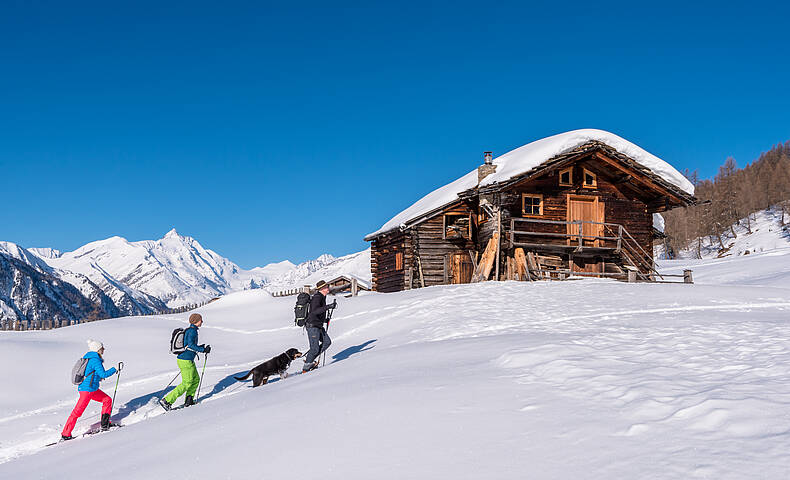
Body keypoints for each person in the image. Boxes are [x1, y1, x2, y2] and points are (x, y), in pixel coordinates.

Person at [61, 339, 119, 440]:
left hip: (91, 389)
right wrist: (115, 369)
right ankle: (66, 434)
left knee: (107, 400)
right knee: (77, 412)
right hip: (87, 390)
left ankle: (105, 424)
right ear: (97, 349)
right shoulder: (95, 360)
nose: (103, 349)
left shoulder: (89, 358)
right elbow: (103, 374)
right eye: (102, 348)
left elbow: (96, 374)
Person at [159, 313, 210, 410]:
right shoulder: (192, 331)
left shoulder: (192, 330)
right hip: (185, 360)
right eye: (201, 320)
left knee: (195, 380)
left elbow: (189, 345)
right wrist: (203, 350)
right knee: (187, 382)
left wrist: (201, 347)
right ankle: (167, 401)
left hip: (186, 359)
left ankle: (189, 400)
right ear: (196, 321)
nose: (202, 322)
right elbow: (190, 345)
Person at [302, 280, 336, 372]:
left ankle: (310, 359)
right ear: (322, 289)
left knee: (327, 342)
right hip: (312, 326)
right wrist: (328, 307)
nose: (328, 288)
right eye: (327, 287)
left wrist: (325, 320)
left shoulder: (322, 297)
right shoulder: (317, 297)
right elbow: (315, 311)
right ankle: (306, 368)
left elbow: (317, 313)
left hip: (318, 325)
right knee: (315, 348)